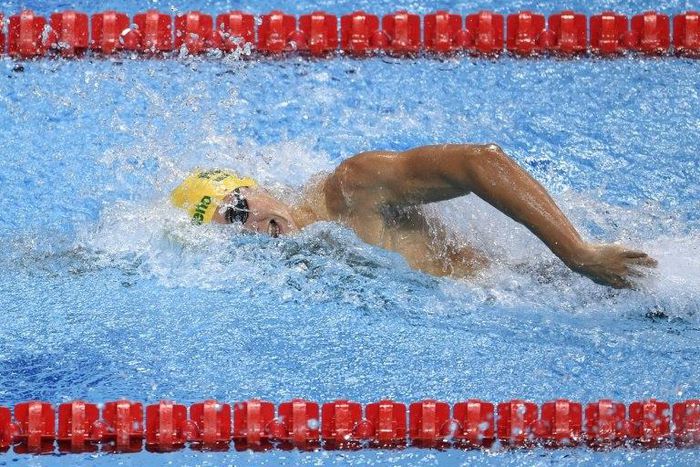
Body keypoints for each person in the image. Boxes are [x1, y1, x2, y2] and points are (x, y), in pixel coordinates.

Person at [170, 144, 656, 288]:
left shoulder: (352, 186)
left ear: (256, 189)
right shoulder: (296, 260)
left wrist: (579, 255)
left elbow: (480, 162)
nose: (249, 227)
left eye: (238, 209)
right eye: (231, 227)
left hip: (572, 291)